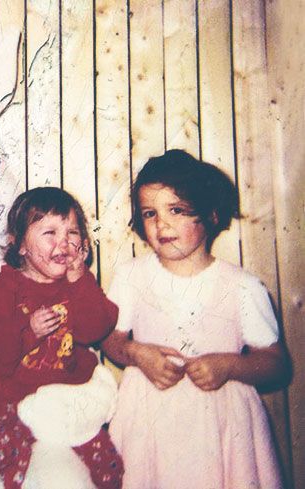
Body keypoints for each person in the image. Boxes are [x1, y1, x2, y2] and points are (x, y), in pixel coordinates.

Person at [102, 149, 290, 489]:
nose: (161, 224)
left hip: (222, 427)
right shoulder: (131, 276)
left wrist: (230, 365)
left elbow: (277, 364)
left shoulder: (242, 286)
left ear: (211, 214)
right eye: (149, 213)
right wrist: (136, 353)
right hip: (148, 420)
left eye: (175, 210)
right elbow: (110, 338)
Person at [0, 187, 123, 489]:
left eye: (72, 232)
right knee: (35, 470)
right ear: (20, 245)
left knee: (106, 468)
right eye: (50, 232)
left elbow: (96, 328)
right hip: (13, 402)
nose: (64, 242)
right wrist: (27, 331)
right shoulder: (6, 287)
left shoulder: (77, 285)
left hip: (66, 400)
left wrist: (79, 280)